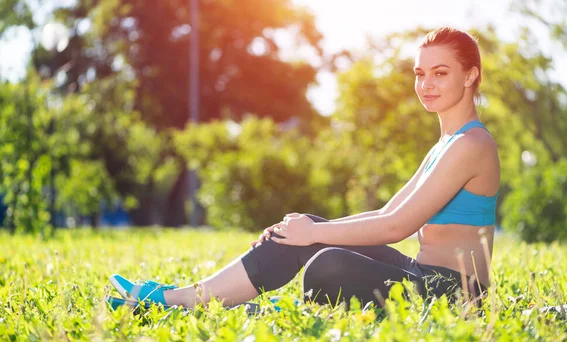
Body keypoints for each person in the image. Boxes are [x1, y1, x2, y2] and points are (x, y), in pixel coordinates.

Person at [109, 26, 500, 310]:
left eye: (440, 73)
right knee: (310, 234)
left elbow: (397, 228)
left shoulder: (472, 144)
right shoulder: (445, 144)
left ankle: (206, 303)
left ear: (470, 75)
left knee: (327, 264)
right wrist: (308, 230)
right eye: (420, 73)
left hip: (454, 295)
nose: (426, 84)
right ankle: (188, 298)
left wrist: (314, 233)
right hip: (420, 273)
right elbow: (385, 214)